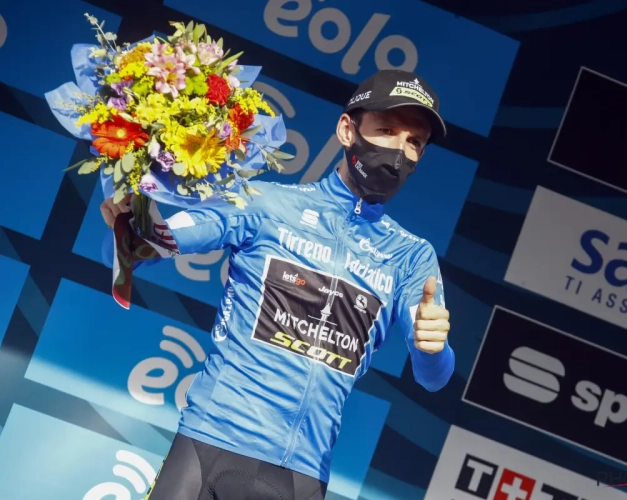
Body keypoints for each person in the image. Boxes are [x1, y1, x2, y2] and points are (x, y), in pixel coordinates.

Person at [100, 69, 455, 500]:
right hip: (209, 447)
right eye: (387, 130)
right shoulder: (265, 204)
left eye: (415, 142)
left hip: (302, 477)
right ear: (347, 130)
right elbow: (146, 249)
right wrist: (129, 228)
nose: (399, 150)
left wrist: (432, 348)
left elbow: (433, 378)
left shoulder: (411, 257)